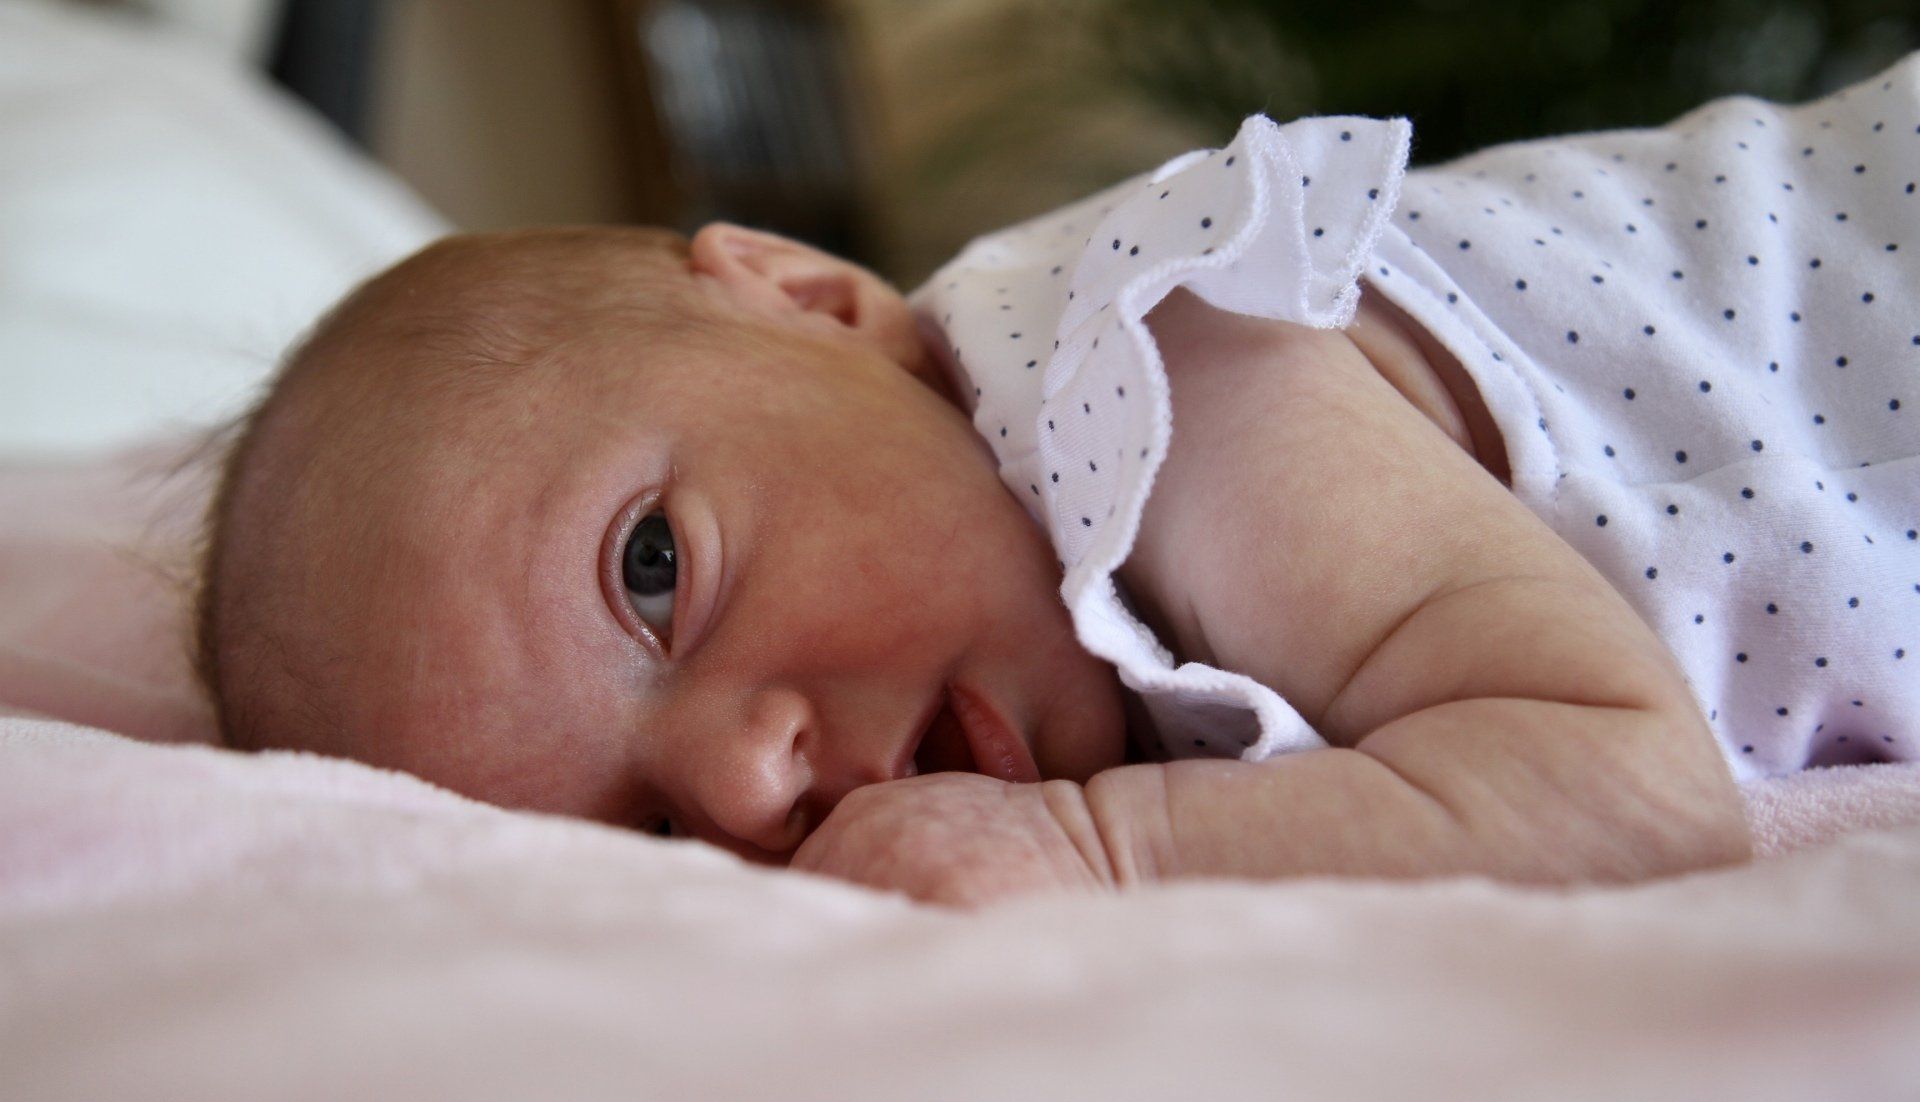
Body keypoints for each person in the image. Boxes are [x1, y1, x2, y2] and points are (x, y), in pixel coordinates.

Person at [193, 55, 1920, 906]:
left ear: (814, 302)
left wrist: (1109, 847)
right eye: (652, 835)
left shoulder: (1155, 381)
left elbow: (1634, 795)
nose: (740, 784)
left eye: (654, 569)